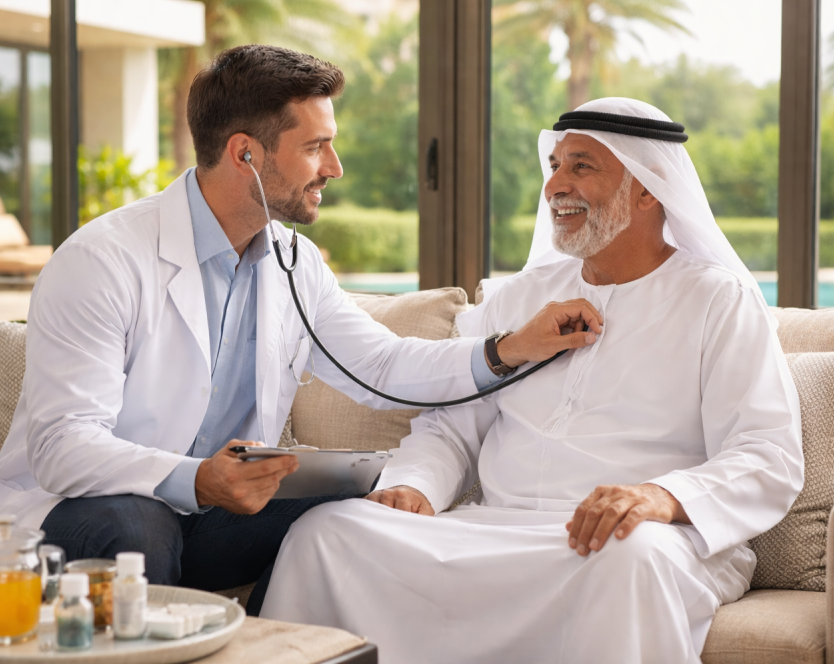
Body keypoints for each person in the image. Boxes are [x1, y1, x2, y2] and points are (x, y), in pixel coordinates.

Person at [0, 45, 602, 614]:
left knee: (357, 508)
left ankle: (268, 644)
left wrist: (509, 348)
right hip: (73, 512)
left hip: (207, 521)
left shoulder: (292, 261)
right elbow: (63, 448)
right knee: (135, 525)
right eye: (315, 147)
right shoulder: (102, 261)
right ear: (246, 154)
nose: (334, 167)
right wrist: (198, 478)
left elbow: (383, 366)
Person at [259, 98, 805, 663]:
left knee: (628, 557)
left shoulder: (718, 300)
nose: (555, 187)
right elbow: (451, 427)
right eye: (555, 166)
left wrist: (659, 497)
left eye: (581, 167)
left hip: (639, 537)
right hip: (497, 527)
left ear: (647, 189)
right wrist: (415, 486)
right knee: (326, 532)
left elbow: (768, 454)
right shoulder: (520, 296)